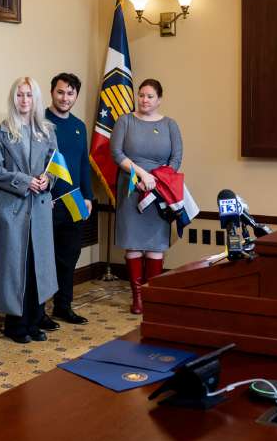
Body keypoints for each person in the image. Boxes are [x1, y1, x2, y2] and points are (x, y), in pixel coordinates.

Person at [0, 77, 59, 344]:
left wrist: (47, 180)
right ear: (13, 98)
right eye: (19, 95)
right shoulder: (3, 131)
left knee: (37, 265)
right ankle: (15, 325)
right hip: (13, 208)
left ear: (36, 98)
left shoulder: (47, 130)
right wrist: (23, 180)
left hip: (39, 208)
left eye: (29, 95)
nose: (24, 100)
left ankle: (34, 319)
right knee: (15, 267)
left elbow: (55, 166)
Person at [111, 79, 182, 314]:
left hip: (160, 191)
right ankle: (138, 298)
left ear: (159, 99)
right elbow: (116, 152)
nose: (144, 100)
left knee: (155, 244)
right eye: (141, 95)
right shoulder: (125, 121)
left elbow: (176, 159)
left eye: (150, 96)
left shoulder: (170, 125)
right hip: (131, 187)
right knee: (133, 243)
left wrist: (156, 181)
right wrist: (140, 175)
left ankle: (152, 295)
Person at [42, 72, 94, 328]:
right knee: (44, 258)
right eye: (60, 92)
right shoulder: (40, 121)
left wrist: (88, 196)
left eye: (70, 93)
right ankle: (39, 311)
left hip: (74, 201)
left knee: (69, 255)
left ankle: (64, 305)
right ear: (52, 92)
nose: (65, 98)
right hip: (46, 202)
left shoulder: (78, 126)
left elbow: (84, 163)